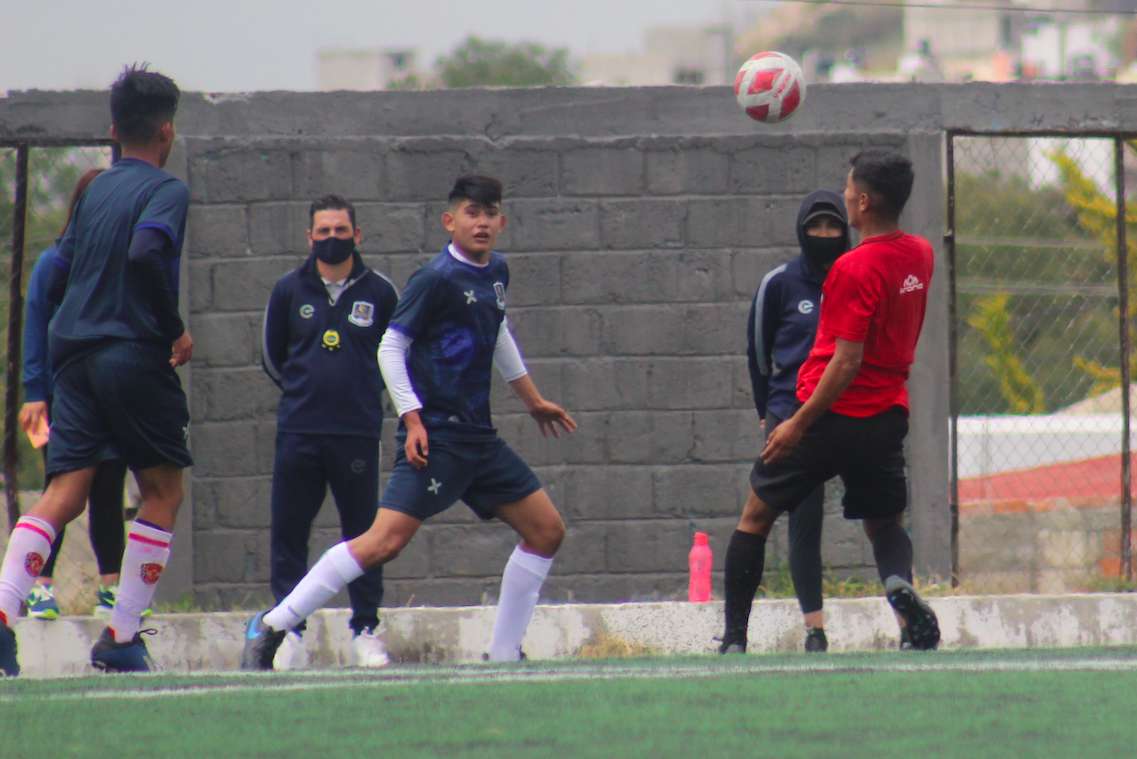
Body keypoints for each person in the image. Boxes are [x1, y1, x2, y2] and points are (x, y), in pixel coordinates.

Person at [241, 175, 576, 669]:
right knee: (381, 543)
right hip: (435, 438)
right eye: (470, 212)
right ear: (450, 221)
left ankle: (504, 653)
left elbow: (497, 328)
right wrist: (413, 419)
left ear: (501, 221)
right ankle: (273, 626)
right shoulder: (434, 278)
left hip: (478, 440)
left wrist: (532, 399)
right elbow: (391, 347)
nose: (481, 222)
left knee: (546, 530)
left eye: (489, 213)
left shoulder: (496, 272)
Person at [0, 64, 193, 676]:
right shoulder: (165, 190)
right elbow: (146, 254)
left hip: (73, 360)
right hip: (131, 353)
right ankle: (121, 634)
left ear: (114, 130)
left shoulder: (95, 192)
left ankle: (3, 615)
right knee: (163, 490)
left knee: (65, 492)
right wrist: (172, 327)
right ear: (166, 130)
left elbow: (62, 271)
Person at [720, 149, 940, 654]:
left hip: (828, 419)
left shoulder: (851, 269)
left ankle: (733, 638)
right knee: (884, 523)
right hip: (887, 417)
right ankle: (900, 598)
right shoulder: (921, 255)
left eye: (847, 190)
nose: (843, 196)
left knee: (755, 515)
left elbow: (845, 362)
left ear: (862, 202)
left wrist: (797, 423)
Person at [261, 194, 398, 669]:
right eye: (324, 232)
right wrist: (306, 392)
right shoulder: (287, 290)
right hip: (299, 431)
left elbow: (396, 356)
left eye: (341, 231)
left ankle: (365, 630)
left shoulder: (380, 292)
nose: (333, 239)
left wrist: (359, 394)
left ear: (357, 235)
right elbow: (271, 356)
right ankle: (290, 634)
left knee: (364, 533)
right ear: (310, 237)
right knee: (289, 533)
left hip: (357, 432)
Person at [19, 168, 135, 621]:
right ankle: (38, 586)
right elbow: (34, 329)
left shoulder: (120, 265)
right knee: (62, 489)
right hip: (58, 401)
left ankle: (110, 589)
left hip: (109, 398)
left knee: (108, 489)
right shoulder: (55, 264)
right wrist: (35, 393)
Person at [746, 190, 849, 653]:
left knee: (883, 513)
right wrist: (768, 413)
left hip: (854, 415)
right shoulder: (780, 283)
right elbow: (759, 353)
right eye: (816, 227)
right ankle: (815, 629)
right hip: (793, 419)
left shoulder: (858, 277)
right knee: (800, 521)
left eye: (833, 227)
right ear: (802, 230)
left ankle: (907, 616)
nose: (825, 236)